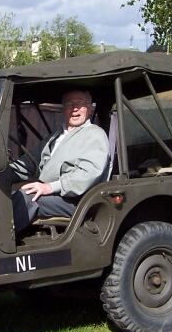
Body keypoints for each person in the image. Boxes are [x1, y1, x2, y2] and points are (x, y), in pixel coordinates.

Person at [11, 89, 109, 234]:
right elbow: (30, 161)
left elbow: (88, 174)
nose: (75, 108)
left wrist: (50, 187)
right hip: (51, 193)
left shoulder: (94, 134)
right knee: (5, 197)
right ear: (63, 109)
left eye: (80, 104)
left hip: (76, 200)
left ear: (89, 109)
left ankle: (0, 246)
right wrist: (4, 172)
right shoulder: (56, 136)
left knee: (26, 199)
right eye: (70, 104)